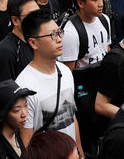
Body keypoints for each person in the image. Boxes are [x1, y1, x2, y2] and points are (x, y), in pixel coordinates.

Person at [16, 9, 79, 151]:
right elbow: (26, 143)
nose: (59, 39)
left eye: (59, 32)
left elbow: (72, 118)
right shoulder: (25, 86)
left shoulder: (65, 71)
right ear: (33, 43)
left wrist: (79, 151)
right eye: (52, 35)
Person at [0, 0, 39, 83]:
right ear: (15, 20)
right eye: (31, 15)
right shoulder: (7, 50)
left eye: (38, 13)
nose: (37, 19)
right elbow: (5, 89)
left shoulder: (41, 39)